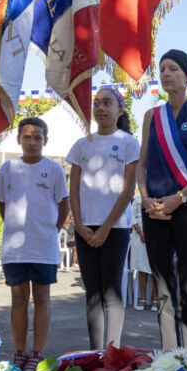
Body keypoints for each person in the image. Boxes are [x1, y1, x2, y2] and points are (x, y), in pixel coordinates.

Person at [136, 49, 187, 350]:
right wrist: (145, 199)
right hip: (155, 210)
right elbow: (141, 164)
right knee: (163, 289)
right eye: (161, 69)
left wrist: (180, 197)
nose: (165, 74)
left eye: (172, 68)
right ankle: (170, 357)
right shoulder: (150, 116)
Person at [0, 117, 68, 371]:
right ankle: (20, 352)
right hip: (15, 247)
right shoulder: (8, 168)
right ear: (19, 140)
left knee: (42, 298)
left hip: (43, 246)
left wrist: (49, 231)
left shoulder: (55, 169)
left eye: (37, 138)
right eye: (27, 137)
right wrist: (16, 229)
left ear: (46, 140)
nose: (32, 142)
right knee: (18, 299)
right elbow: (3, 205)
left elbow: (63, 206)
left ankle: (37, 353)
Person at [67, 87, 139, 351]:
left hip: (116, 227)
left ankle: (112, 352)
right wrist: (79, 224)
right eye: (96, 103)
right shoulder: (81, 144)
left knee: (111, 293)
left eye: (106, 103)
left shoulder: (129, 143)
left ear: (119, 110)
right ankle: (94, 353)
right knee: (92, 294)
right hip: (85, 228)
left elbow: (128, 190)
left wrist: (106, 227)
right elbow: (73, 188)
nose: (99, 108)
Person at [130, 191, 158, 311]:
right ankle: (142, 298)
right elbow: (132, 215)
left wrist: (152, 234)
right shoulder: (137, 197)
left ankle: (155, 299)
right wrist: (141, 232)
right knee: (142, 269)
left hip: (156, 236)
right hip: (139, 236)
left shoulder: (158, 195)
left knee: (154, 270)